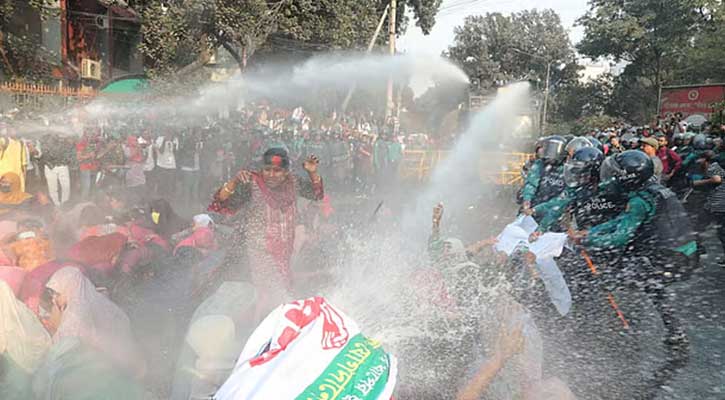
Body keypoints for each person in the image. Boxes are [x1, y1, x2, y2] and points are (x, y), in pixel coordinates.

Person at [208, 148, 323, 318]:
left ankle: (280, 322)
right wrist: (234, 182)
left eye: (277, 171)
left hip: (284, 248)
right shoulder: (252, 184)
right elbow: (220, 203)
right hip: (259, 250)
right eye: (267, 170)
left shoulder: (294, 182)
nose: (271, 175)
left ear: (286, 172)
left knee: (282, 285)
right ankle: (264, 326)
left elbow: (317, 194)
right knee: (269, 292)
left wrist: (312, 173)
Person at [42, 266, 145, 376]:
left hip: (94, 374)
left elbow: (60, 349)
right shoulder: (104, 304)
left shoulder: (73, 315)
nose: (54, 299)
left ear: (68, 288)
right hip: (122, 368)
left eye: (57, 293)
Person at [521, 135, 567, 212]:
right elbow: (531, 183)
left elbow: (565, 196)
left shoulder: (566, 169)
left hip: (555, 210)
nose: (550, 155)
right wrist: (527, 199)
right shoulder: (540, 164)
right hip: (535, 205)